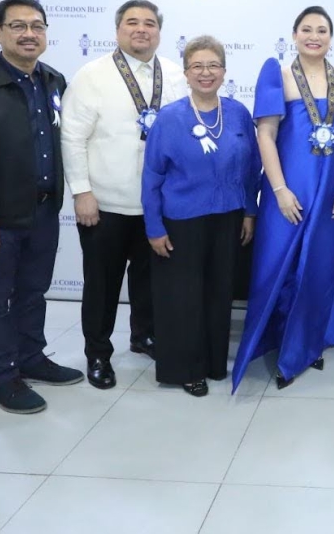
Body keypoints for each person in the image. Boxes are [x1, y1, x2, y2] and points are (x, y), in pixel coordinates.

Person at [0, 0, 83, 414]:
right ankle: (2, 378)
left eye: (37, 26)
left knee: (33, 292)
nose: (29, 34)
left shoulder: (54, 81)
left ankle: (31, 357)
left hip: (43, 210)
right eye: (19, 26)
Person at [232, 6, 334, 391]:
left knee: (320, 268)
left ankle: (308, 342)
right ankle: (276, 340)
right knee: (278, 265)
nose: (314, 36)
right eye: (306, 29)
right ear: (294, 35)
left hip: (330, 194)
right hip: (285, 190)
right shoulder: (278, 75)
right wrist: (279, 190)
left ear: (330, 36)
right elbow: (266, 135)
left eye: (322, 30)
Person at [61, 0, 187, 390]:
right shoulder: (92, 75)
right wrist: (82, 191)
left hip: (158, 206)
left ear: (159, 32)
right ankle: (97, 354)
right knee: (102, 285)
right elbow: (72, 135)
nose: (141, 29)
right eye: (132, 22)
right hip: (106, 203)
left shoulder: (176, 74)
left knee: (152, 281)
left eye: (150, 23)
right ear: (118, 30)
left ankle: (143, 335)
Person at [142, 36, 260, 397]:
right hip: (182, 221)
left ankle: (212, 361)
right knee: (183, 297)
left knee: (219, 293)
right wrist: (154, 227)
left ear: (224, 71)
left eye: (213, 66)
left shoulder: (238, 112)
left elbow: (252, 168)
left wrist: (250, 212)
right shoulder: (170, 117)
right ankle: (186, 368)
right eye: (197, 66)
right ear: (186, 72)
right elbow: (151, 176)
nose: (205, 73)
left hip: (227, 218)